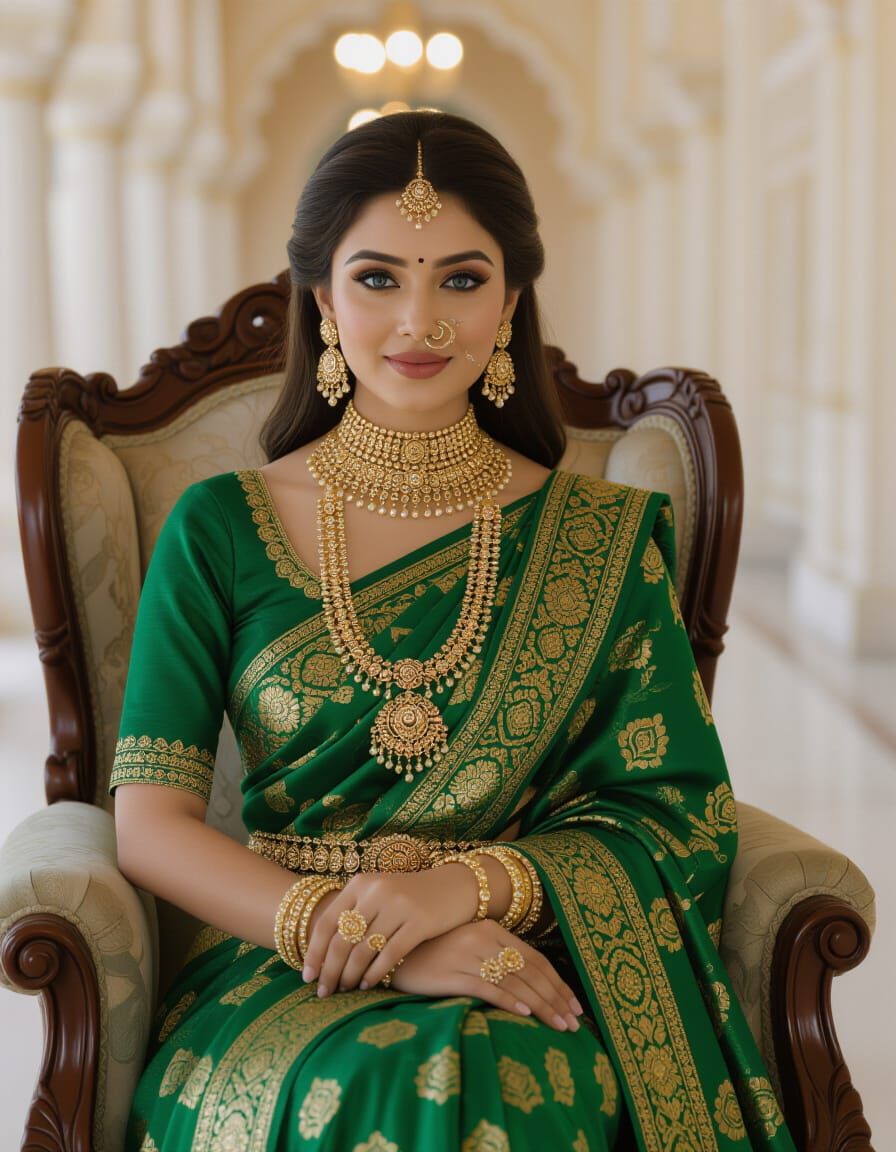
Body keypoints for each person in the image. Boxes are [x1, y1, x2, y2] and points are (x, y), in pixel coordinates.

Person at [110, 110, 796, 1151]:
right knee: (401, 1085)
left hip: (526, 954)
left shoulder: (596, 537)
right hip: (285, 958)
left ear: (513, 299)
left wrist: (460, 893)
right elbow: (148, 825)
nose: (419, 322)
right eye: (377, 278)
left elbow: (674, 813)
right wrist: (371, 939)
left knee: (492, 1079)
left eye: (461, 281)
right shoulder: (221, 528)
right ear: (322, 297)